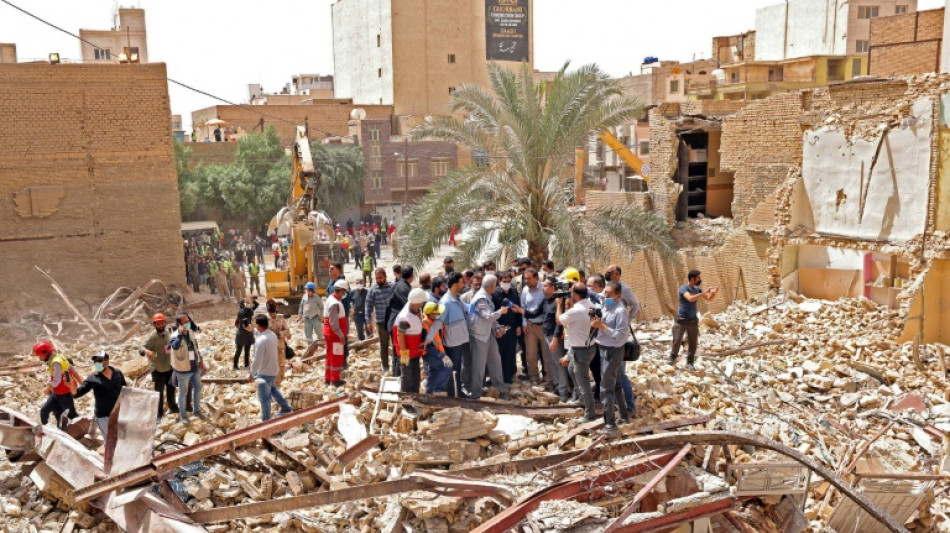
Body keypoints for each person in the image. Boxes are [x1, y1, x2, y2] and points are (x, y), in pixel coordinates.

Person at [592, 282, 631, 431]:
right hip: (603, 348)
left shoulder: (620, 311)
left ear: (617, 296)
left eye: (609, 294)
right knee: (616, 384)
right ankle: (624, 416)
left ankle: (610, 424)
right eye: (605, 293)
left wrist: (602, 327)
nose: (605, 296)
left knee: (606, 387)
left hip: (612, 351)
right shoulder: (606, 304)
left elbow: (621, 336)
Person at [557, 283, 596, 422]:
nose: (570, 295)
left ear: (576, 295)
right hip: (587, 346)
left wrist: (558, 305)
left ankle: (589, 413)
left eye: (571, 293)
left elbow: (559, 320)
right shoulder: (591, 305)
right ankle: (580, 398)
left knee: (583, 381)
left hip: (581, 350)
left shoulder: (576, 310)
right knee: (572, 369)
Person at [467, 274, 509, 400]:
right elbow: (488, 316)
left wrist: (497, 327)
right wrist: (501, 312)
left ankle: (500, 390)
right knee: (479, 366)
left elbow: (490, 318)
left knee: (496, 362)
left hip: (488, 334)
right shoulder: (480, 299)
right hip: (479, 336)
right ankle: (476, 395)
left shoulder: (486, 296)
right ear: (492, 286)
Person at [669, 270, 719, 371]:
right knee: (677, 340)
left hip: (693, 321)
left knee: (693, 343)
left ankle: (690, 362)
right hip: (681, 320)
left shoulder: (697, 289)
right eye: (698, 278)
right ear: (692, 279)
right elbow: (690, 298)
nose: (700, 280)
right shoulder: (684, 288)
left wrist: (714, 293)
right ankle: (672, 358)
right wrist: (704, 292)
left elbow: (708, 298)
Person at [71, 351, 126, 442]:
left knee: (122, 439)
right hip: (104, 416)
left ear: (107, 361)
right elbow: (77, 394)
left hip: (120, 413)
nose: (97, 364)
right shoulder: (93, 378)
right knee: (109, 442)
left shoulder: (117, 373)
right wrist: (71, 386)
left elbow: (125, 389)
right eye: (95, 362)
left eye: (100, 361)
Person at [247, 315, 293, 421]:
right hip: (273, 370)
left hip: (264, 373)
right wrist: (252, 330)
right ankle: (286, 407)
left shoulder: (260, 341)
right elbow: (261, 334)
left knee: (264, 399)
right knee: (273, 389)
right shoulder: (272, 335)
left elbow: (257, 360)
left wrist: (251, 374)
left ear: (258, 325)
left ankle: (266, 422)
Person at [435, 272, 470, 397]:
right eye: (461, 282)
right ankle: (453, 394)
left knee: (457, 368)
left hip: (459, 340)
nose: (463, 284)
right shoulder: (446, 302)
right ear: (455, 284)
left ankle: (457, 392)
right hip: (451, 342)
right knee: (453, 370)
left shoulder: (457, 298)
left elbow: (467, 308)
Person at [169, 313, 207, 424]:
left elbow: (195, 346)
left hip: (194, 367)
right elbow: (175, 346)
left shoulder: (190, 332)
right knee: (183, 393)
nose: (188, 323)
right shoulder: (174, 336)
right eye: (185, 321)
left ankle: (197, 410)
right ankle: (184, 416)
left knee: (198, 388)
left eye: (188, 320)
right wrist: (181, 334)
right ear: (179, 323)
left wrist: (200, 360)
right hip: (183, 370)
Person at [142, 313, 179, 421]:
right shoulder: (152, 337)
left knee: (171, 389)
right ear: (155, 324)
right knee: (158, 392)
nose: (161, 325)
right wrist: (147, 351)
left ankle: (173, 407)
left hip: (169, 366)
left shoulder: (168, 333)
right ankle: (158, 414)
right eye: (158, 323)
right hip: (158, 369)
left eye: (162, 322)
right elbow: (142, 347)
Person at [393, 288, 429, 398]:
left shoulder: (415, 309)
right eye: (421, 302)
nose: (423, 304)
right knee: (407, 376)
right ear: (416, 303)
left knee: (416, 375)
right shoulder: (404, 317)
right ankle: (406, 400)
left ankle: (415, 396)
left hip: (415, 351)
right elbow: (400, 336)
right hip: (406, 352)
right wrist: (404, 355)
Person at [34, 341, 80, 427]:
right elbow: (72, 369)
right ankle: (50, 431)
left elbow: (57, 380)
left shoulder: (56, 362)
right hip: (56, 393)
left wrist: (47, 388)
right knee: (45, 411)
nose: (39, 358)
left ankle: (81, 431)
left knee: (72, 415)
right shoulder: (57, 358)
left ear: (44, 353)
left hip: (65, 395)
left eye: (40, 355)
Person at [492, 270, 522, 384]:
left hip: (512, 328)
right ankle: (499, 376)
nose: (506, 283)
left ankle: (509, 376)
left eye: (508, 281)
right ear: (500, 281)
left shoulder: (514, 292)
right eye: (504, 281)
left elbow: (518, 309)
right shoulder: (495, 294)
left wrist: (519, 325)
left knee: (510, 352)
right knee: (500, 353)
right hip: (500, 329)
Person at [518, 268, 546, 384]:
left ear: (536, 278)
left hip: (544, 326)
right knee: (531, 355)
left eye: (529, 278)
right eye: (525, 278)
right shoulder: (525, 290)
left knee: (546, 355)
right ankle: (534, 379)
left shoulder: (545, 288)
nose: (526, 281)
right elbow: (523, 307)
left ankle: (549, 380)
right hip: (530, 326)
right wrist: (524, 324)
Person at [421, 302, 454, 395]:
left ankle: (429, 393)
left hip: (436, 352)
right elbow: (426, 346)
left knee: (433, 373)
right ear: (430, 313)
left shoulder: (434, 322)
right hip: (430, 354)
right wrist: (442, 355)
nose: (438, 314)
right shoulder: (425, 324)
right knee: (447, 367)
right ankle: (437, 390)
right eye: (436, 313)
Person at [365, 268, 394, 372]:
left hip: (393, 321)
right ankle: (385, 366)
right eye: (376, 278)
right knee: (384, 345)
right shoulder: (373, 290)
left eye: (380, 278)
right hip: (381, 322)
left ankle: (396, 366)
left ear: (385, 277)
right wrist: (368, 321)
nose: (378, 280)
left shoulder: (392, 287)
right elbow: (368, 306)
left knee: (396, 344)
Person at [323, 280, 349, 386]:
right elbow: (334, 322)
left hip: (330, 333)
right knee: (337, 356)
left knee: (330, 355)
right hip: (335, 334)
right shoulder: (334, 303)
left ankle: (328, 378)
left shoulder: (331, 299)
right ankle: (335, 380)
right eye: (344, 292)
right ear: (341, 290)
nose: (344, 294)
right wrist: (341, 335)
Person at [265, 299, 291, 382]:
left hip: (280, 345)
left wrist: (280, 333)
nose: (272, 314)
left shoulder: (280, 317)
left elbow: (287, 330)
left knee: (280, 363)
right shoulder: (264, 319)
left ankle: (279, 381)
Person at [234, 297, 258, 369]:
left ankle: (246, 364)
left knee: (247, 351)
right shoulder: (241, 312)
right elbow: (244, 314)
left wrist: (252, 300)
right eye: (246, 302)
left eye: (248, 302)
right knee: (239, 350)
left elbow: (256, 305)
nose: (247, 304)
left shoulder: (250, 311)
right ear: (243, 303)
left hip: (247, 333)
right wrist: (247, 302)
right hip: (242, 333)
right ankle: (235, 365)